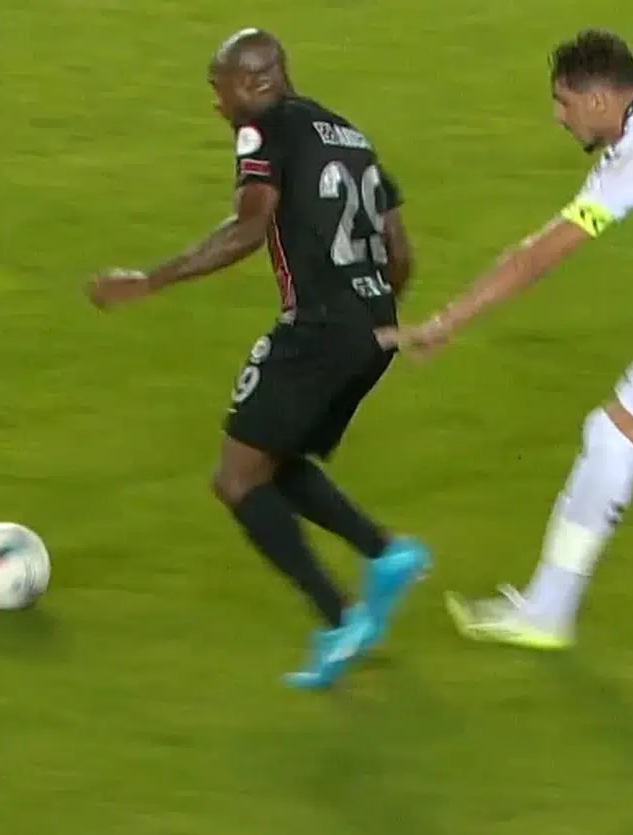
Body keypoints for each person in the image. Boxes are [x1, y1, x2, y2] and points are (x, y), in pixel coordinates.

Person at [88, 28, 430, 688]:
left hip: (318, 329)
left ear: (255, 81)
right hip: (375, 331)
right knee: (271, 456)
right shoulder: (350, 135)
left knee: (237, 480)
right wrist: (373, 318)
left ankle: (340, 618)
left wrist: (151, 280)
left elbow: (249, 228)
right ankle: (385, 553)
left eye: (219, 89)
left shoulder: (263, 129)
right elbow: (401, 252)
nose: (217, 104)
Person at [379, 30, 633, 650]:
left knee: (614, 437)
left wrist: (446, 321)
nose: (558, 116)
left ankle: (547, 612)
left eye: (564, 102)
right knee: (615, 435)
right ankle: (547, 610)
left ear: (600, 99)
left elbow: (537, 257)